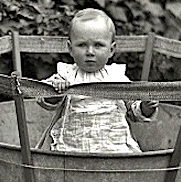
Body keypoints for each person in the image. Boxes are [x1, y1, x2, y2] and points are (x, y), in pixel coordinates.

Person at [38, 9, 158, 153]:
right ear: (70, 48)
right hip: (73, 148)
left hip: (113, 148)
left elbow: (133, 111)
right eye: (82, 45)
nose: (90, 52)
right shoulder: (65, 75)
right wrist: (55, 91)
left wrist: (146, 107)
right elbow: (45, 100)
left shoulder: (117, 78)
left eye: (98, 45)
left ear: (111, 50)